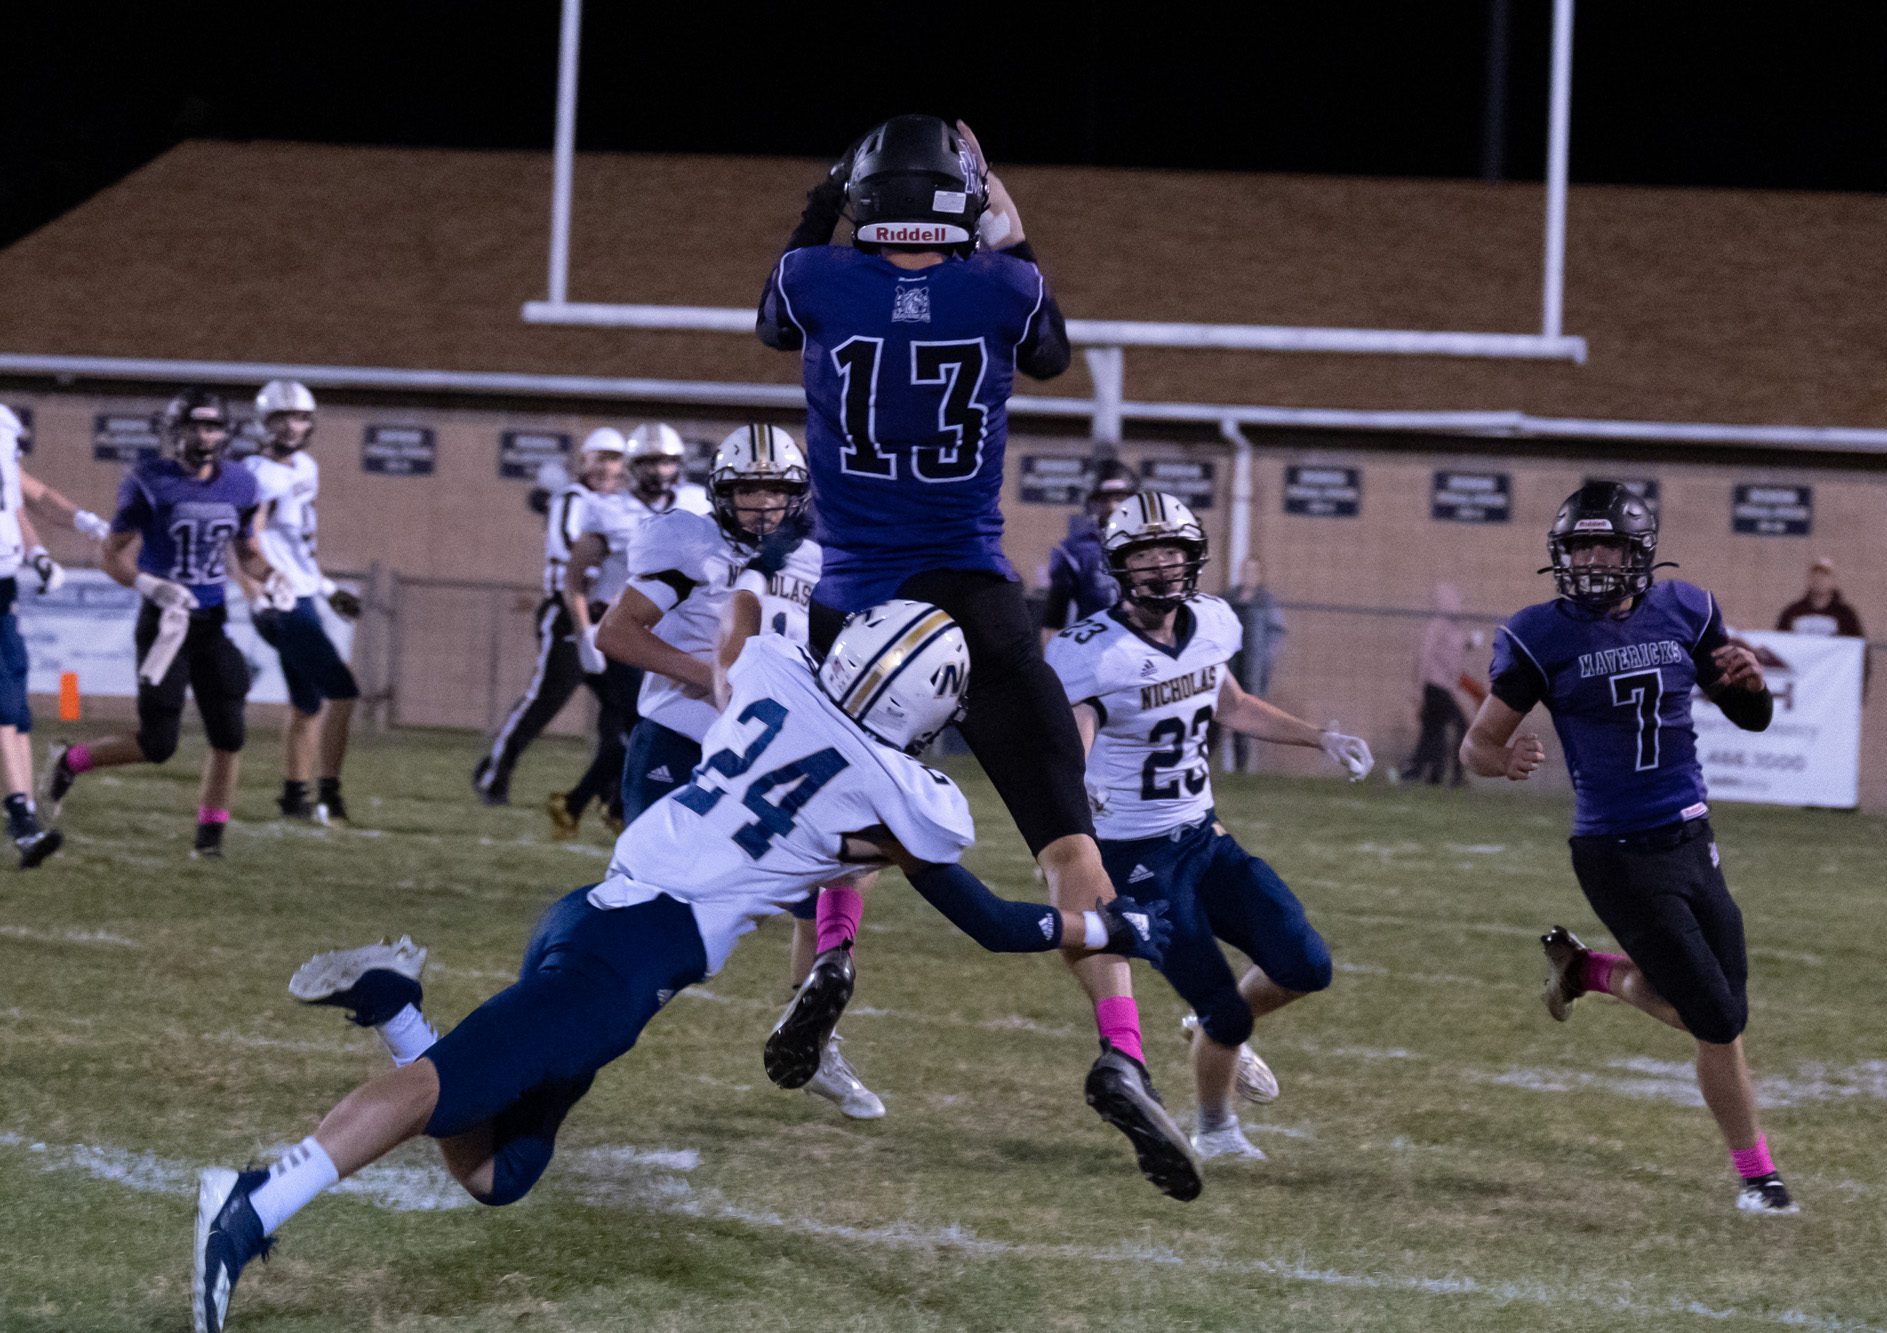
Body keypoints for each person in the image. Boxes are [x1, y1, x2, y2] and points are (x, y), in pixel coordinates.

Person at [192, 601, 1171, 1333]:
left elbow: (741, 637)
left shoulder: (778, 674)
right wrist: (1111, 927)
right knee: (447, 1090)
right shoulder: (901, 798)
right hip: (630, 954)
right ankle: (253, 1202)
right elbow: (995, 922)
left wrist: (752, 586)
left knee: (500, 1170)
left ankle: (394, 1003)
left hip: (597, 916)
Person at [756, 113, 1198, 1199]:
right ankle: (1121, 1048)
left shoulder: (816, 278)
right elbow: (1049, 352)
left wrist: (825, 195)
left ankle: (833, 956)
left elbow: (772, 320)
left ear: (862, 196)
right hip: (978, 599)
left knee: (852, 823)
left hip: (858, 604)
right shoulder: (1002, 288)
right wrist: (1010, 219)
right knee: (1069, 843)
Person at [1459, 482, 1798, 1216]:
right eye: (1577, 546)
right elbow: (1475, 745)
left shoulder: (1687, 610)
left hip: (1691, 837)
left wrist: (1753, 688)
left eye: (1603, 545)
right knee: (1714, 1018)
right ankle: (1760, 1178)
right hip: (1615, 850)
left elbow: (1751, 717)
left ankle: (1587, 970)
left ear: (1637, 551)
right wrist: (1502, 759)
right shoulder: (1539, 634)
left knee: (1723, 1009)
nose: (1588, 560)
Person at [1046, 492, 1371, 1161]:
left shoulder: (1213, 623)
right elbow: (1069, 752)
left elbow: (1234, 705)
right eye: (1145, 554)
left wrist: (1321, 737)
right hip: (1134, 854)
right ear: (1120, 564)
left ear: (1193, 557)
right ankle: (1216, 1128)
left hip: (1202, 836)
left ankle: (1210, 1024)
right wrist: (1074, 801)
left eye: (1173, 551)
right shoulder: (1094, 652)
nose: (1162, 565)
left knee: (1306, 963)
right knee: (1228, 1011)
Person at [593, 425, 878, 1117]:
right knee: (647, 908)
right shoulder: (690, 543)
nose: (762, 504)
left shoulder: (813, 556)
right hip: (683, 740)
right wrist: (716, 677)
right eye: (748, 489)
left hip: (765, 754)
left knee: (836, 873)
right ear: (721, 492)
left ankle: (814, 1036)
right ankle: (572, 1017)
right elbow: (616, 632)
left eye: (776, 490)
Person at [46, 388, 282, 858]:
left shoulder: (241, 483)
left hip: (211, 623)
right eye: (194, 426)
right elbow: (111, 554)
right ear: (175, 432)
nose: (204, 436)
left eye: (212, 426)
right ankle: (71, 760)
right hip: (166, 624)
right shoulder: (150, 480)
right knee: (158, 744)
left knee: (230, 734)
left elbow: (248, 552)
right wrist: (150, 586)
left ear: (225, 433)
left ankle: (209, 840)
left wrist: (275, 578)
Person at [473, 429, 628, 805]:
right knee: (546, 700)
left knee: (624, 704)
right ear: (584, 461)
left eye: (613, 458)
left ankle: (610, 787)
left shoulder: (622, 506)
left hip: (608, 617)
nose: (606, 467)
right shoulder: (572, 499)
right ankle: (494, 773)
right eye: (599, 457)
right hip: (568, 612)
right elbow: (568, 555)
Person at [241, 381, 365, 826]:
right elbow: (245, 543)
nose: (292, 427)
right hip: (281, 600)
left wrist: (326, 587)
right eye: (282, 418)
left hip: (304, 593)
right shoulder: (256, 473)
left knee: (307, 703)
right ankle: (329, 793)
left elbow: (295, 545)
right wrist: (257, 596)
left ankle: (294, 797)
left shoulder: (306, 467)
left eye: (299, 418)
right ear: (264, 422)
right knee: (343, 691)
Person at [547, 427, 679, 837]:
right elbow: (573, 579)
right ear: (633, 467)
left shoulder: (694, 506)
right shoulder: (608, 510)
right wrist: (585, 633)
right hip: (618, 628)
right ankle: (614, 806)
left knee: (634, 724)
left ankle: (587, 803)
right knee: (642, 720)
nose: (660, 470)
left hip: (667, 632)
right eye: (651, 462)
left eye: (667, 461)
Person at [0, 405, 107, 867]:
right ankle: (22, 822)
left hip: (4, 587)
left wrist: (39, 554)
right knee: (3, 710)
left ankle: (25, 818)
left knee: (18, 713)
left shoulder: (3, 426)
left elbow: (20, 500)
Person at [1040, 460, 1134, 645]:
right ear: (1091, 502)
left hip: (1141, 645)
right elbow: (1054, 617)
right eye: (1104, 499)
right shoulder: (1074, 551)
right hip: (1092, 646)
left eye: (1119, 498)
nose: (1112, 506)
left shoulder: (1147, 544)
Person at [1400, 581, 1476, 786]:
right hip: (1434, 688)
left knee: (1433, 732)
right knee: (1459, 726)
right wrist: (1418, 690)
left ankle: (1427, 774)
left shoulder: (1455, 627)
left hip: (1445, 689)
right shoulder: (1438, 624)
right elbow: (1424, 657)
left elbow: (1453, 655)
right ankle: (1455, 775)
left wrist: (1470, 643)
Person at [1221, 556, 1288, 771]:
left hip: (1253, 667)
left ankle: (1242, 765)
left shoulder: (1266, 602)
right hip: (1231, 663)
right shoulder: (1229, 598)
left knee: (1246, 710)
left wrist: (1264, 657)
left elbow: (1277, 633)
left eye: (1253, 571)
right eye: (1246, 570)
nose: (1249, 575)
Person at [1775, 557, 1863, 637]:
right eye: (1815, 575)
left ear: (1833, 581)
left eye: (1825, 575)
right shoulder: (1792, 612)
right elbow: (1779, 640)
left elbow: (1859, 644)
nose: (1819, 579)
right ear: (1808, 580)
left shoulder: (1845, 615)